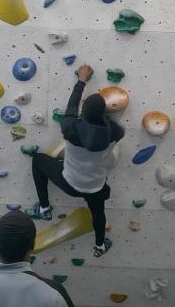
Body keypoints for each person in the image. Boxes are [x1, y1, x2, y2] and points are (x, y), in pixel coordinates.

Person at [29, 64, 125, 257]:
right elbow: (111, 125)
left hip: (69, 183)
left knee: (38, 159)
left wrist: (82, 80)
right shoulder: (115, 132)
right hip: (96, 188)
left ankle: (45, 208)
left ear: (83, 114)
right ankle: (99, 246)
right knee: (98, 215)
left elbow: (71, 106)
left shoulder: (70, 127)